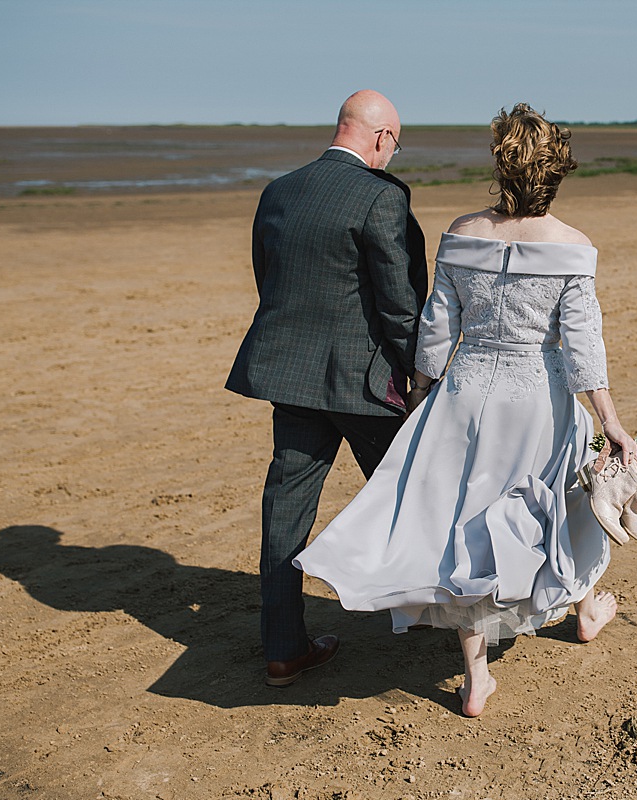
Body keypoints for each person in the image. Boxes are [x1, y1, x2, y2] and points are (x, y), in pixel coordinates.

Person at [294, 103, 637, 717]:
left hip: (465, 395)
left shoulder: (462, 233)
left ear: (500, 166)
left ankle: (477, 678)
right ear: (556, 171)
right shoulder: (572, 247)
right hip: (539, 395)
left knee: (467, 526)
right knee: (564, 496)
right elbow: (584, 345)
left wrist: (423, 393)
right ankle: (583, 604)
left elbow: (436, 328)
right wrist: (609, 417)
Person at [225, 90, 428, 687]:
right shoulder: (379, 198)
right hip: (366, 386)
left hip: (292, 378)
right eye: (395, 144)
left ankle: (283, 650)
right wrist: (421, 376)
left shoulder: (279, 190)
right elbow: (400, 304)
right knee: (409, 495)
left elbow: (271, 279)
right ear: (381, 138)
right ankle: (423, 611)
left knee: (284, 513)